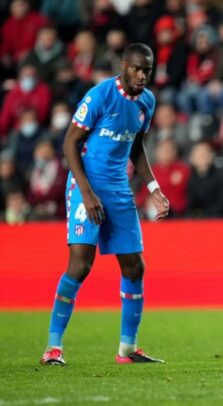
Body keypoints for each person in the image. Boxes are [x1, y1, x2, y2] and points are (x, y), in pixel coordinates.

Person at [40, 43, 170, 366]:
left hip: (118, 189)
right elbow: (69, 143)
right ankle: (53, 347)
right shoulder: (99, 96)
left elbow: (137, 148)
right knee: (81, 265)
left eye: (148, 70)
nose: (142, 76)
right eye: (137, 68)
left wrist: (153, 188)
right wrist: (85, 192)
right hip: (86, 184)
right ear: (123, 65)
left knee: (135, 266)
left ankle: (127, 348)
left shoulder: (146, 103)